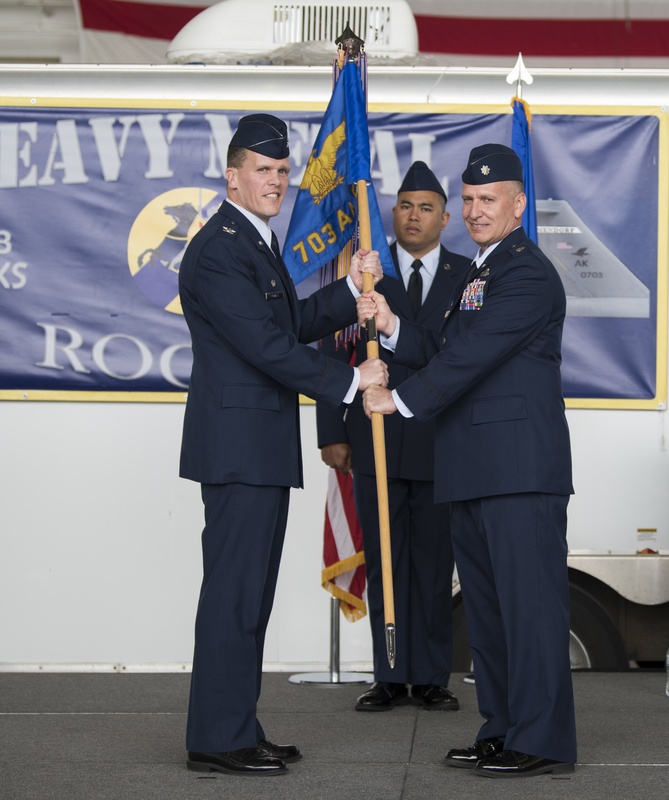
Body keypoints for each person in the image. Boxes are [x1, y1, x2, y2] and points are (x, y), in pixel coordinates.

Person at [178, 113, 388, 777]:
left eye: (280, 171)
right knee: (234, 597)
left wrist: (349, 296)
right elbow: (265, 347)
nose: (275, 181)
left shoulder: (253, 241)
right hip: (239, 448)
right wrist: (351, 381)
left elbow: (290, 321)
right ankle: (217, 736)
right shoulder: (219, 249)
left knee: (249, 597)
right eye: (262, 171)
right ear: (232, 176)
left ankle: (236, 724)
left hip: (256, 447)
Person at [361, 144, 577, 778]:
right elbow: (439, 345)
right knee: (488, 614)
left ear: (518, 205)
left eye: (491, 200)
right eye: (471, 200)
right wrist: (394, 326)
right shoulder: (482, 272)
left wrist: (397, 399)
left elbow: (470, 356)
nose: (477, 211)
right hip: (474, 467)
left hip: (516, 470)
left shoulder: (527, 272)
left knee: (529, 613)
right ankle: (504, 728)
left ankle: (542, 742)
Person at [316, 161, 469, 712]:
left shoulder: (469, 275)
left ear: (445, 218)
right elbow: (334, 346)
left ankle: (429, 676)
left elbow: (462, 356)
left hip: (440, 440)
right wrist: (331, 430)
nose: (414, 216)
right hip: (374, 438)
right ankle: (388, 674)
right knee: (384, 560)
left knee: (432, 565)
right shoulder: (366, 273)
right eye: (405, 205)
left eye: (426, 207)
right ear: (393, 213)